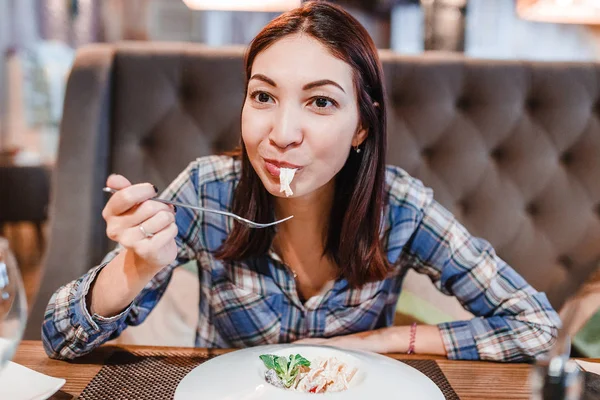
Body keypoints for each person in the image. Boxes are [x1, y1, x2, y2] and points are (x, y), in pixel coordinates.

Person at [42, 1, 560, 362]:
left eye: (320, 102)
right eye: (264, 97)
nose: (281, 134)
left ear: (361, 125)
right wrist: (134, 268)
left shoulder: (400, 209)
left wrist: (379, 342)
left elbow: (537, 328)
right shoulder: (207, 191)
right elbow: (59, 340)